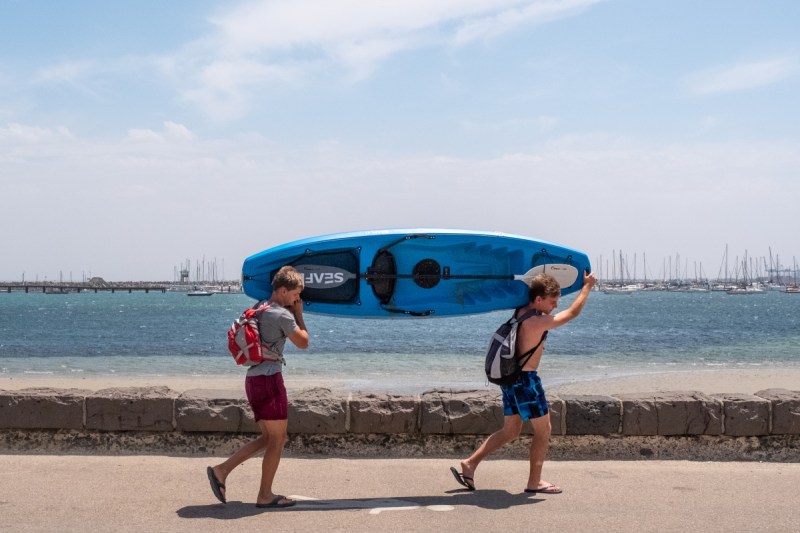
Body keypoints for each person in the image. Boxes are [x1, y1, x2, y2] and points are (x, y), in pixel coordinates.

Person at [451, 270, 597, 494]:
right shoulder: (536, 322)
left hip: (511, 380)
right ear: (538, 299)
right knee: (544, 430)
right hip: (526, 382)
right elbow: (571, 314)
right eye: (552, 302)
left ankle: (470, 464)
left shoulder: (521, 312)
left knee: (510, 431)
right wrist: (587, 287)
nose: (554, 306)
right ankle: (535, 482)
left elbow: (543, 297)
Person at [207, 265, 309, 508]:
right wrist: (299, 314)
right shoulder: (282, 315)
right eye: (295, 294)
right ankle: (264, 495)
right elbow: (304, 342)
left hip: (254, 379)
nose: (297, 299)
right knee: (278, 438)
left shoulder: (259, 308)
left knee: (269, 438)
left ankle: (222, 471)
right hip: (270, 381)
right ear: (283, 291)